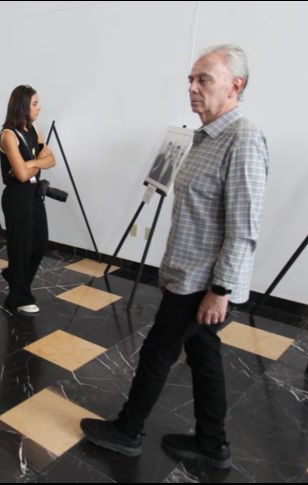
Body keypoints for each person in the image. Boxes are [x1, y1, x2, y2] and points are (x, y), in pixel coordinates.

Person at [81, 44, 269, 471]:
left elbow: (243, 228)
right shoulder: (205, 137)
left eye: (204, 79)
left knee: (157, 353)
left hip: (204, 283)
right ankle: (211, 444)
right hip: (188, 276)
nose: (192, 88)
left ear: (235, 85)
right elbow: (195, 217)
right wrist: (170, 270)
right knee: (203, 355)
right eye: (191, 79)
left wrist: (220, 290)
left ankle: (127, 432)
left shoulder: (243, 139)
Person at [0, 85, 56, 316]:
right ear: (22, 106)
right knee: (20, 247)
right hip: (16, 198)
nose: (39, 108)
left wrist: (29, 164)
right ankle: (18, 297)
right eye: (34, 104)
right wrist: (33, 165)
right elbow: (20, 176)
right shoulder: (8, 135)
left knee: (40, 242)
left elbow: (51, 160)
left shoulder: (34, 131)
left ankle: (14, 276)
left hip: (33, 195)